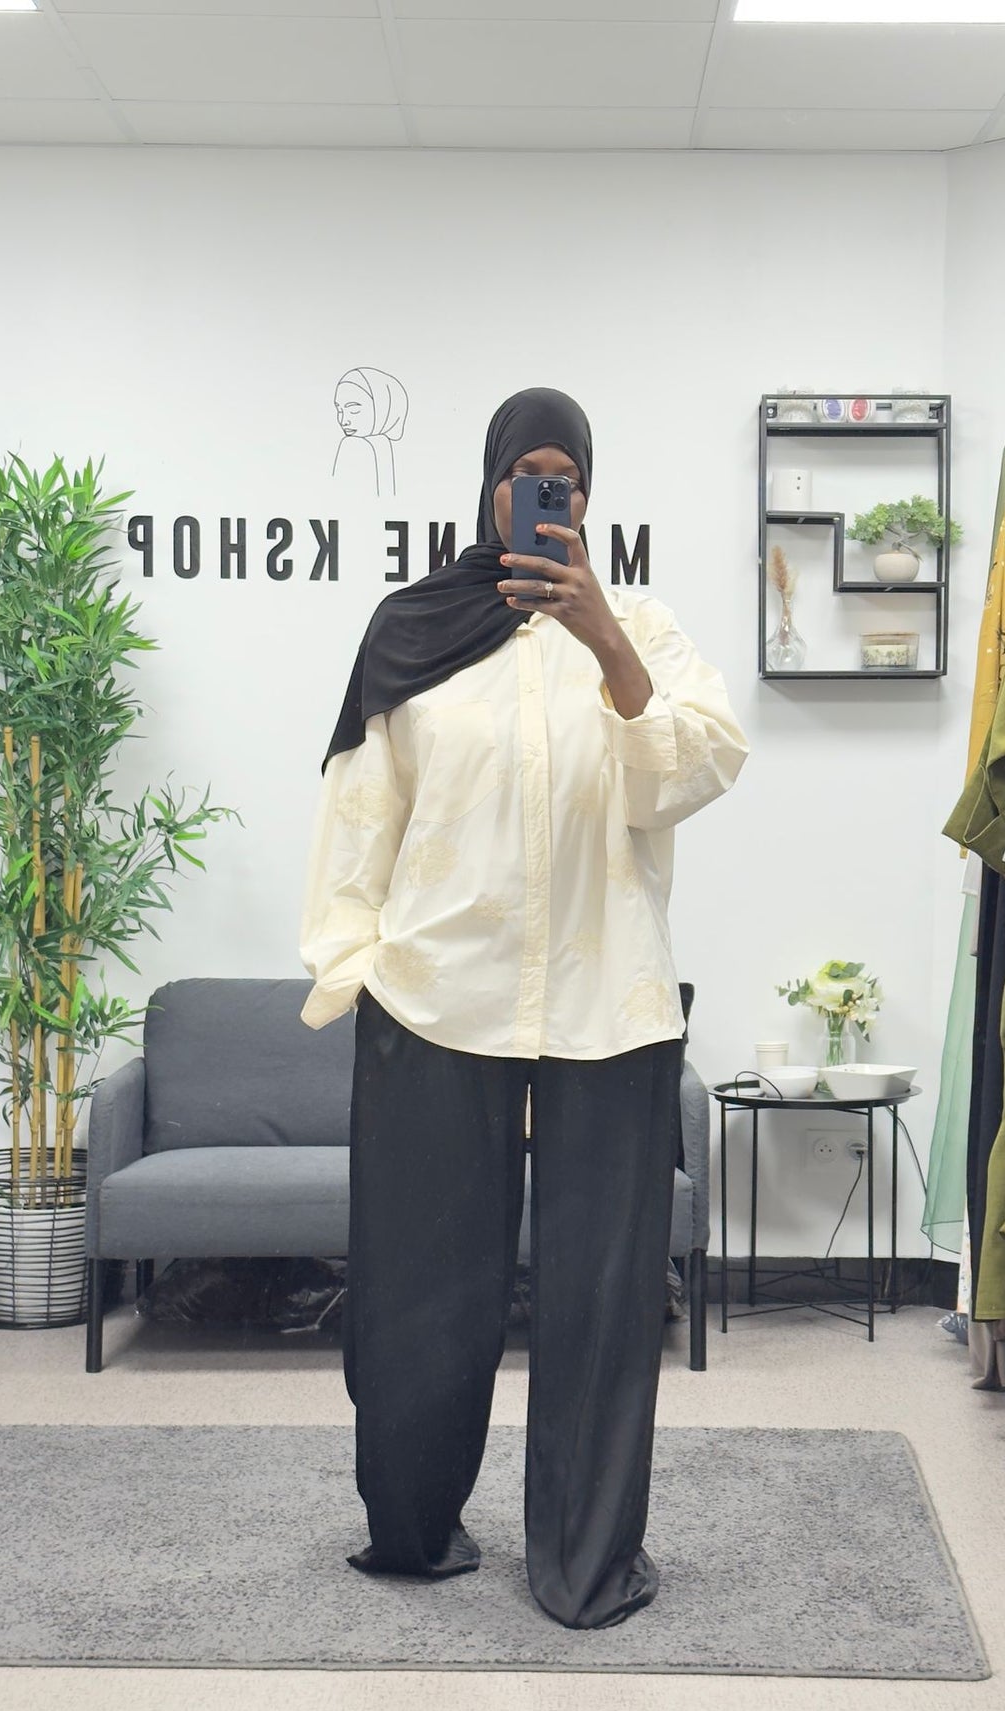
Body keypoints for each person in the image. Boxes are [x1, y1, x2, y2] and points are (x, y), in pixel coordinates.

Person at [299, 387, 749, 1629]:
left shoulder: (642, 626)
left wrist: (608, 645)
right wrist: (353, 964)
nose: (548, 492)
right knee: (421, 1294)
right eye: (526, 471)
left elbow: (695, 771)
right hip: (436, 999)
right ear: (490, 484)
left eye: (570, 477)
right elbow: (360, 812)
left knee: (603, 1306)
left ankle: (585, 1562)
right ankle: (412, 1526)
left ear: (588, 500)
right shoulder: (413, 628)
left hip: (610, 1006)